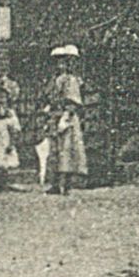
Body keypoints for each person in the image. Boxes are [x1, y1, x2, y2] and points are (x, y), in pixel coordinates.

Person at [45, 46, 90, 196]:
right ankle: (55, 183)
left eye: (63, 63)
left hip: (66, 117)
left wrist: (67, 115)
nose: (60, 66)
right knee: (55, 151)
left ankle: (67, 184)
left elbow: (73, 101)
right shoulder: (55, 80)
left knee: (68, 150)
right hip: (55, 115)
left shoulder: (71, 80)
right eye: (58, 63)